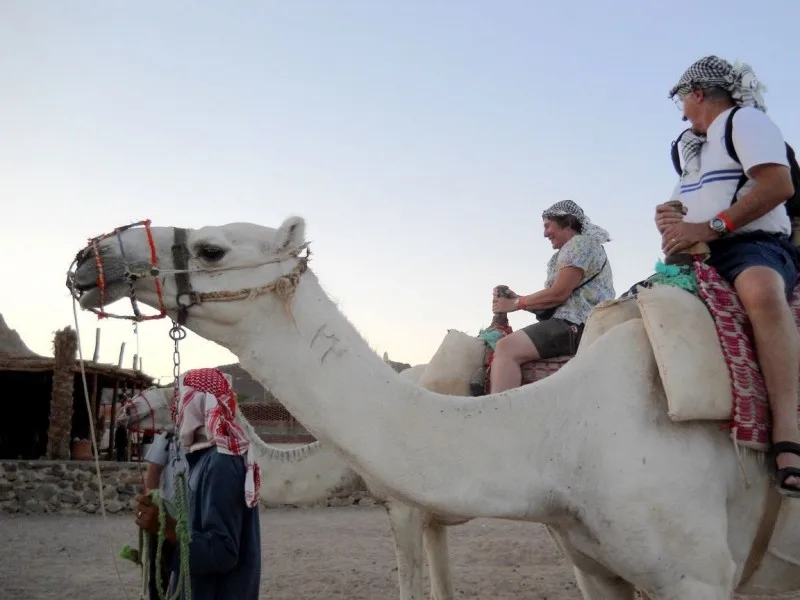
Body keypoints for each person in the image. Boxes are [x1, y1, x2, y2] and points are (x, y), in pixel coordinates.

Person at [660, 55, 800, 497]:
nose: (682, 112)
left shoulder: (746, 122)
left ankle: (789, 434)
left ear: (698, 94)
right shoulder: (692, 149)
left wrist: (710, 227)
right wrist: (669, 218)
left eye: (683, 101)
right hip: (697, 255)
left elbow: (778, 185)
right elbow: (690, 201)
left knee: (761, 291)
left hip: (751, 246)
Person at [134, 368, 262, 600]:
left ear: (197, 405)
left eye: (181, 402)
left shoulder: (221, 463)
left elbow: (223, 552)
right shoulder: (206, 459)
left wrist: (168, 527)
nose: (176, 412)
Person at [490, 200, 615, 393]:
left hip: (579, 323)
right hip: (570, 321)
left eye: (548, 226)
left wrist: (516, 304)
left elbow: (558, 294)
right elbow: (555, 300)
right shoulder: (572, 250)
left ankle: (497, 414)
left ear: (567, 222)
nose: (545, 233)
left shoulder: (580, 244)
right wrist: (518, 298)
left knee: (506, 348)